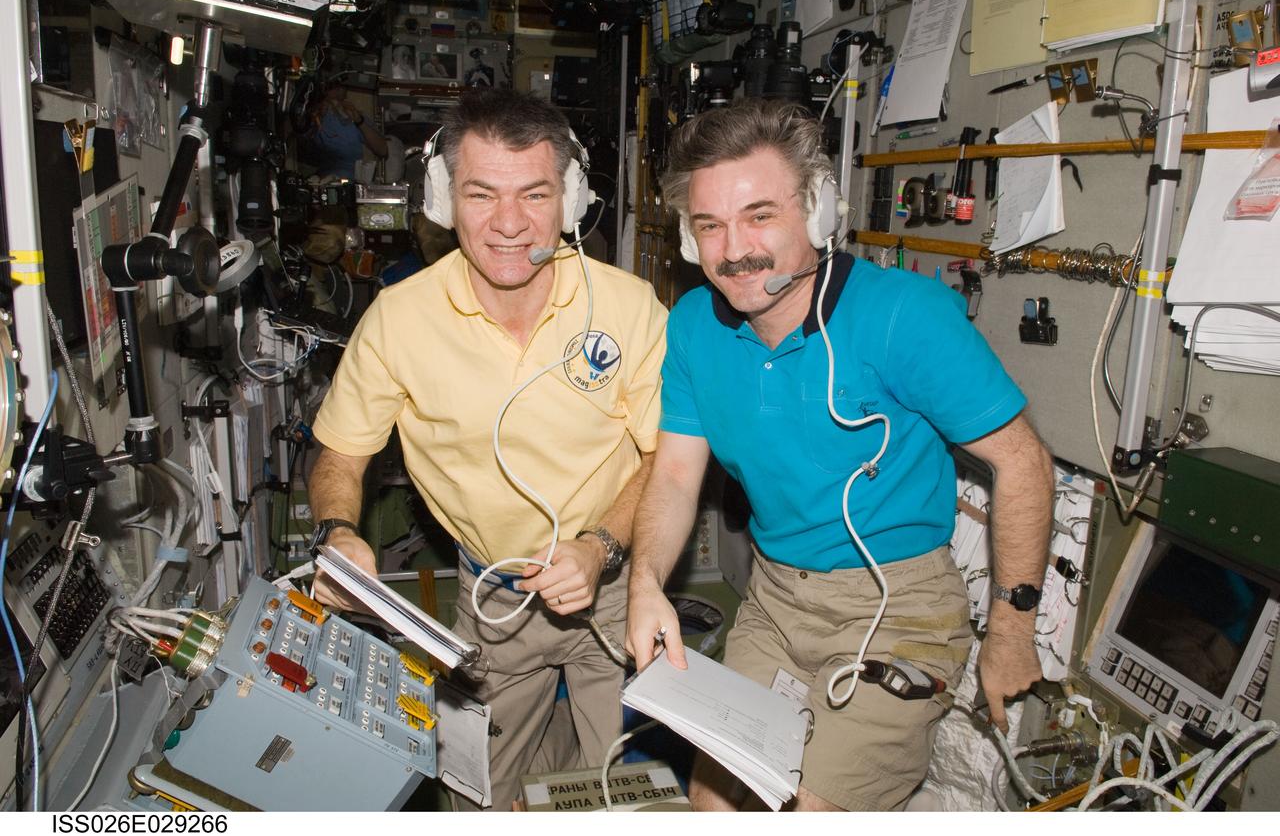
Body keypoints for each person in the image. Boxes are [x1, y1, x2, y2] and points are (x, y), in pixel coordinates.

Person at [625, 99, 1053, 811]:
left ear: (819, 209)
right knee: (715, 803)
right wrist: (644, 583)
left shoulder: (903, 316)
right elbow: (673, 473)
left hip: (899, 606)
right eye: (710, 225)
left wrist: (1011, 627)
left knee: (803, 813)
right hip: (774, 599)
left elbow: (1024, 462)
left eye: (759, 214)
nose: (734, 249)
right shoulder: (695, 323)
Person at [308, 89, 667, 811]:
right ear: (444, 199)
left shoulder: (627, 307)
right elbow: (341, 458)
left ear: (570, 198)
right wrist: (339, 531)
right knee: (477, 797)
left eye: (534, 194)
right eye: (481, 193)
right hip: (493, 599)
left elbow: (665, 457)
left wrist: (600, 547)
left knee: (634, 796)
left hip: (617, 587)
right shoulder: (399, 320)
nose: (508, 224)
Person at [305, 79, 388, 179]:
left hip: (346, 180)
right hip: (322, 178)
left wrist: (359, 121)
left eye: (341, 86)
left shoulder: (354, 116)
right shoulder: (314, 114)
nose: (338, 89)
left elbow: (382, 150)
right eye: (334, 86)